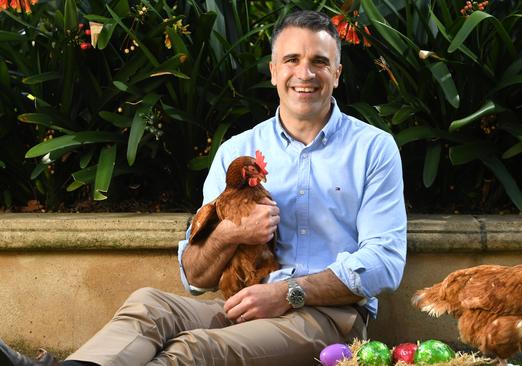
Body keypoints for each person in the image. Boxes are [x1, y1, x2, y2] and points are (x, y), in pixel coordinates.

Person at [0, 9, 407, 366]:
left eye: (320, 61)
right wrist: (231, 233)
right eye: (292, 60)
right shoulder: (238, 149)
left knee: (193, 350)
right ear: (273, 71)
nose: (305, 73)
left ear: (337, 73)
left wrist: (290, 293)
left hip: (327, 318)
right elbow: (194, 275)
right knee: (148, 306)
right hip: (242, 304)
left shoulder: (372, 148)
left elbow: (385, 261)